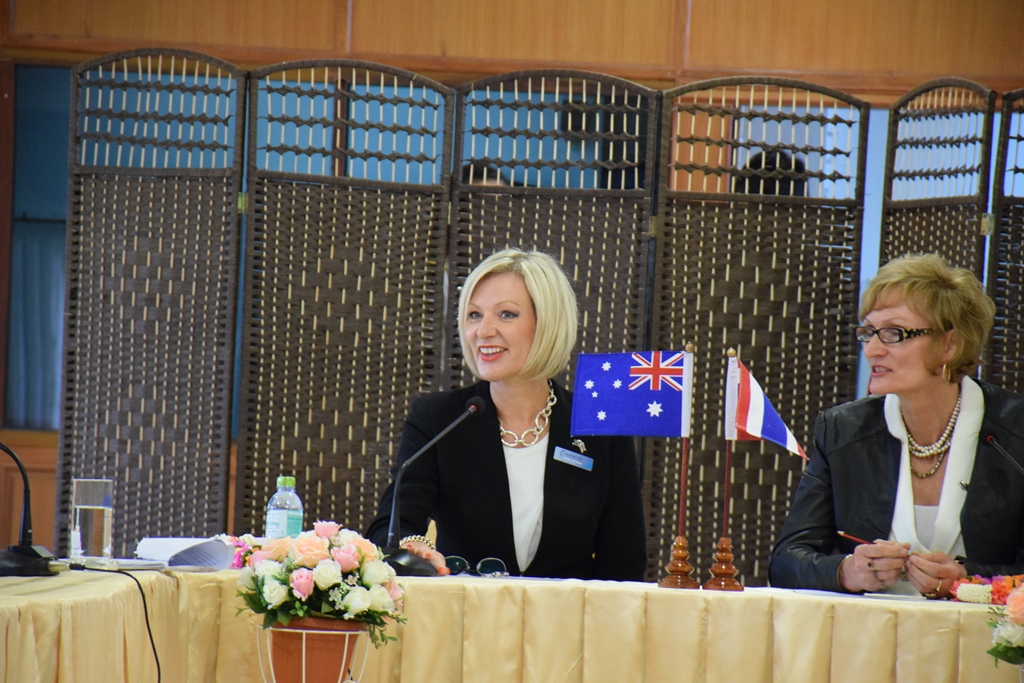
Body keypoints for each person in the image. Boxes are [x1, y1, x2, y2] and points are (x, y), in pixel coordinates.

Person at [366, 247, 647, 580]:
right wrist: (412, 546)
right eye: (474, 314)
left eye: (506, 314)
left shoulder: (599, 426)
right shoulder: (438, 419)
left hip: (568, 613)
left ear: (547, 323)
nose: (483, 331)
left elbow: (624, 561)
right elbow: (390, 529)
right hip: (466, 610)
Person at [770, 253, 1024, 597]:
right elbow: (786, 561)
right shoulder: (842, 431)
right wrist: (847, 571)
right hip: (871, 628)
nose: (872, 350)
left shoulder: (1015, 430)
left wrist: (968, 579)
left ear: (949, 344)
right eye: (869, 332)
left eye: (894, 333)